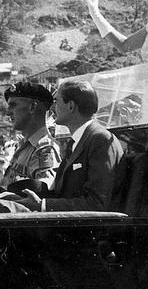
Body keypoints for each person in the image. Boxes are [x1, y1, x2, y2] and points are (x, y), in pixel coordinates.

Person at [16, 81, 123, 213]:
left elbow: (97, 203)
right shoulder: (77, 142)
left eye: (57, 101)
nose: (53, 107)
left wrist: (43, 205)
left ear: (71, 106)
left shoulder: (101, 141)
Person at [0, 82, 59, 190]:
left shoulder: (44, 150)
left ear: (32, 107)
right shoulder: (24, 146)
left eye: (13, 105)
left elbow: (40, 195)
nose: (8, 112)